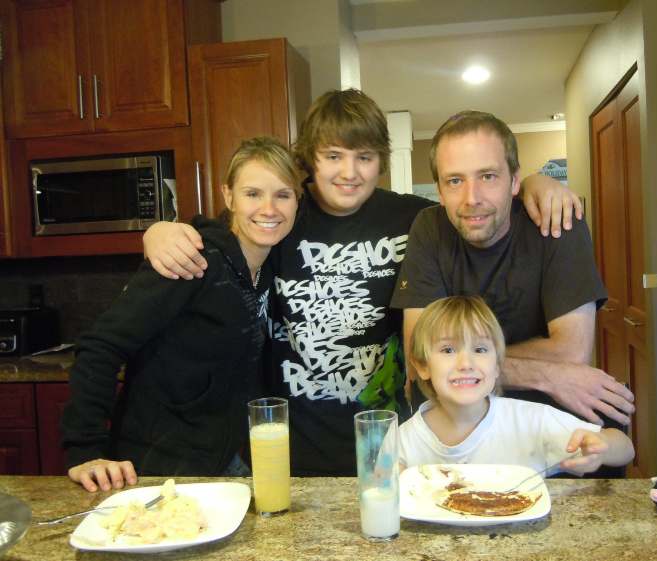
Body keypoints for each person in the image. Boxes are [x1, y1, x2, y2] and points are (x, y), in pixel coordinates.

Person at [142, 90, 580, 476]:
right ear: (309, 160)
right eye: (333, 156)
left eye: (365, 157)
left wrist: (537, 183)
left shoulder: (415, 218)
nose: (349, 172)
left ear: (380, 163)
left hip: (390, 440)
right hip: (294, 446)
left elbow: (472, 203)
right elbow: (223, 236)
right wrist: (159, 231)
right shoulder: (283, 213)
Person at [61, 137, 302, 492]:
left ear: (297, 200)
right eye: (253, 193)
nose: (269, 208)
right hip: (157, 470)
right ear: (228, 196)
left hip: (219, 464)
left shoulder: (266, 269)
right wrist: (84, 450)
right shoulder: (191, 260)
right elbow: (101, 346)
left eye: (283, 194)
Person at [390, 110, 636, 434]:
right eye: (455, 180)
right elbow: (419, 356)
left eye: (488, 176)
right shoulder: (429, 227)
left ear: (516, 180)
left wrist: (454, 361)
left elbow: (572, 350)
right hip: (457, 427)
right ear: (439, 189)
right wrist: (549, 374)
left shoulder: (557, 221)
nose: (472, 198)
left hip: (546, 425)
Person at [399, 296, 634, 473]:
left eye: (480, 349)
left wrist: (602, 447)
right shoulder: (403, 441)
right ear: (422, 366)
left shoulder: (531, 421)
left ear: (497, 365)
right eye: (448, 350)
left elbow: (625, 448)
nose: (466, 363)